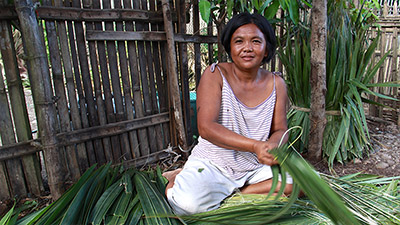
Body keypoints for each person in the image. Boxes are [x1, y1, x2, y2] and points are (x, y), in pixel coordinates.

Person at [163, 12, 293, 215]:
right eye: (239, 41)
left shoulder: (277, 84)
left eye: (256, 41)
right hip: (215, 163)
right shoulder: (215, 75)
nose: (247, 48)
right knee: (188, 205)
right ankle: (177, 181)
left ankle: (235, 194)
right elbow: (206, 128)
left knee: (300, 185)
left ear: (266, 49)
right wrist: (255, 145)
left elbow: (280, 128)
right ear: (230, 48)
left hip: (255, 165)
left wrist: (275, 145)